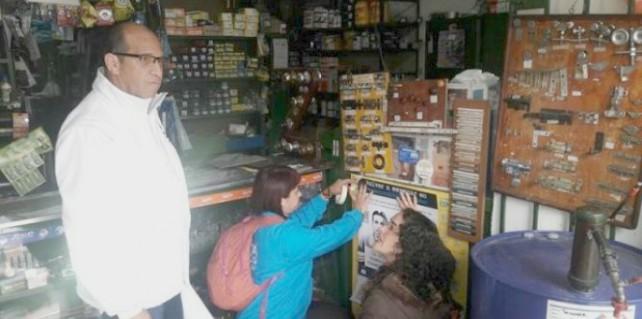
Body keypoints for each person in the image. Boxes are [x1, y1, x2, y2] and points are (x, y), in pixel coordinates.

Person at [56, 22, 211, 319]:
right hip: (131, 305)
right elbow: (88, 232)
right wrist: (127, 309)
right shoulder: (91, 129)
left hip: (164, 290)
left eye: (160, 61)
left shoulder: (142, 112)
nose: (157, 70)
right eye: (145, 60)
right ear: (113, 62)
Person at [237, 165, 369, 319]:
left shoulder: (266, 222)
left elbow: (299, 220)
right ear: (281, 200)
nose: (300, 194)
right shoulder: (285, 238)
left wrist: (326, 194)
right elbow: (329, 237)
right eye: (295, 191)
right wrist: (358, 212)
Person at [360, 193, 460, 319]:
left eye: (391, 227)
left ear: (407, 243)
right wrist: (417, 223)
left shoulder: (379, 303)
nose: (381, 229)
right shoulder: (430, 285)